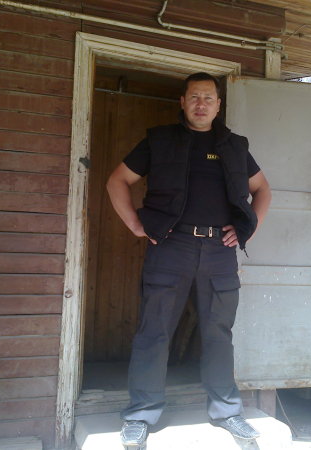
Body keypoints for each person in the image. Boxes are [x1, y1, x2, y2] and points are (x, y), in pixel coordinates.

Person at [106, 72, 271, 448]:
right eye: (194, 97)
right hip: (171, 247)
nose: (201, 104)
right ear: (182, 102)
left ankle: (227, 411)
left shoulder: (234, 146)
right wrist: (135, 225)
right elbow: (117, 180)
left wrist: (246, 230)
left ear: (218, 105)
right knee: (154, 332)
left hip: (219, 252)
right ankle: (141, 414)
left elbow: (262, 189)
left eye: (208, 98)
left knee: (218, 333)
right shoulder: (160, 140)